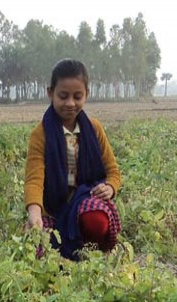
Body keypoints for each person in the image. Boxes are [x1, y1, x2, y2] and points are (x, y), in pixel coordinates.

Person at [24, 59, 121, 260]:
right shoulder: (40, 134)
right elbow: (34, 179)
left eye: (77, 96)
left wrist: (110, 187)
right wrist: (34, 213)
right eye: (63, 96)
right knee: (38, 249)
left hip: (85, 199)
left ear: (87, 94)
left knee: (96, 221)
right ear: (50, 93)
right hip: (52, 208)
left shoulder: (94, 129)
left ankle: (90, 254)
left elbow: (113, 172)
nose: (70, 103)